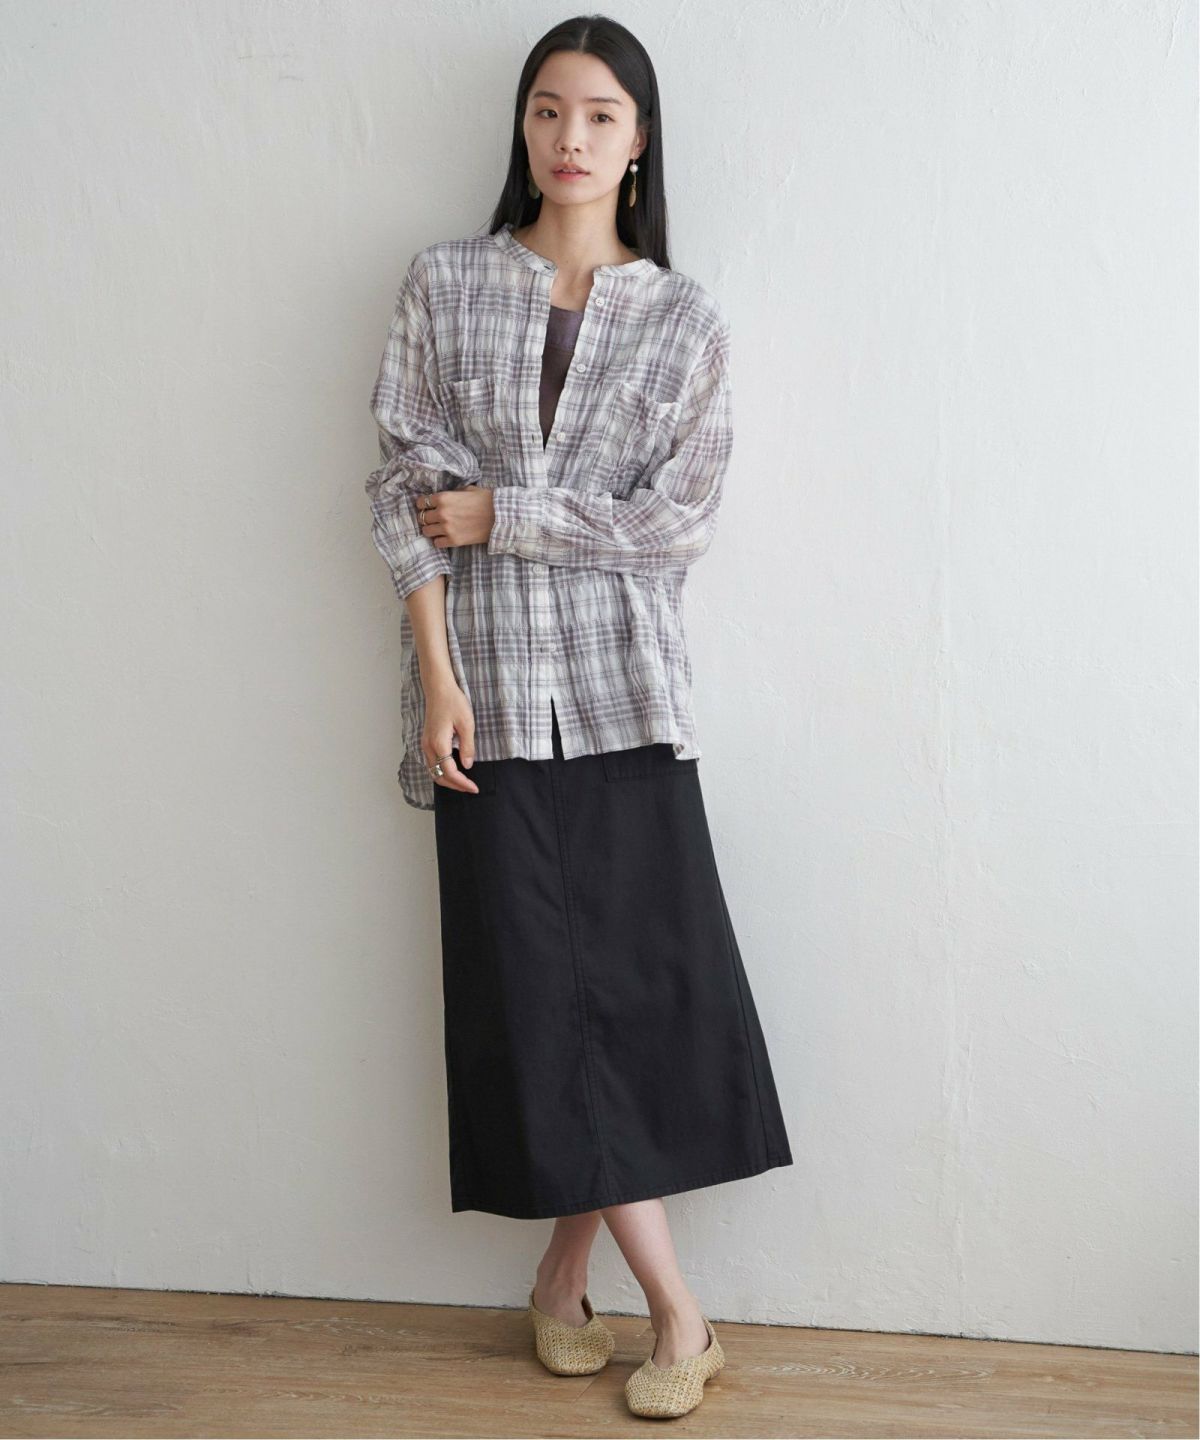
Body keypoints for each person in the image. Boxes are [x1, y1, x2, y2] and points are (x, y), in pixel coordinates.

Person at [365, 15, 793, 1420]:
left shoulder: (685, 321)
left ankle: (575, 1283)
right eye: (549, 110)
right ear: (524, 125)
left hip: (624, 700)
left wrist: (511, 513)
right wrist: (436, 678)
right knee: (539, 1006)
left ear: (639, 141)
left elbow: (675, 525)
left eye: (601, 115)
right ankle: (677, 1314)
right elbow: (404, 489)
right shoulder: (446, 284)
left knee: (641, 1003)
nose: (570, 138)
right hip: (483, 702)